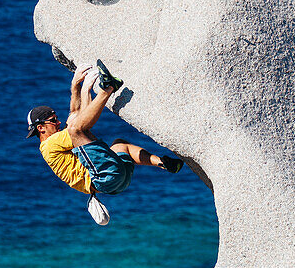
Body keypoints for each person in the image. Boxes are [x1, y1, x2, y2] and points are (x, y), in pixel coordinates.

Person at [27, 64, 183, 209]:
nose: (59, 122)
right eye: (53, 121)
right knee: (77, 129)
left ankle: (163, 163)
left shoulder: (57, 141)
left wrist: (77, 86)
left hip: (118, 181)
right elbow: (78, 125)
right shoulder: (50, 145)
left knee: (120, 145)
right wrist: (85, 90)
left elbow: (75, 114)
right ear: (40, 128)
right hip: (104, 178)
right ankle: (108, 89)